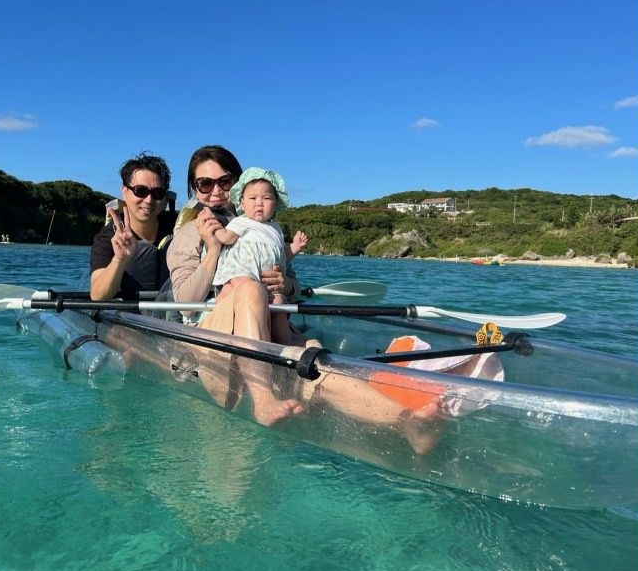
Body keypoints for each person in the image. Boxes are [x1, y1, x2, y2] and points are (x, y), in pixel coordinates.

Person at [167, 145, 445, 453]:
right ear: (195, 188)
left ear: (239, 183)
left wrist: (285, 284)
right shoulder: (191, 233)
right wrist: (213, 250)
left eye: (226, 181)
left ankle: (408, 423)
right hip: (214, 328)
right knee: (249, 289)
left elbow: (294, 287)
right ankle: (263, 400)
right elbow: (185, 301)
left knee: (313, 358)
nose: (217, 190)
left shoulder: (263, 228)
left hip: (268, 325)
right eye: (206, 183)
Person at [211, 167, 307, 345]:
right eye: (253, 198)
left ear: (276, 202)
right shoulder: (241, 222)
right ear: (242, 202)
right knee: (233, 291)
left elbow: (282, 255)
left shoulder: (276, 230)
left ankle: (285, 340)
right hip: (242, 274)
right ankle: (224, 312)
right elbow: (226, 237)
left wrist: (295, 247)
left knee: (278, 302)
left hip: (268, 283)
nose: (259, 203)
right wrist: (214, 228)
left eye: (267, 198)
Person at [90, 153, 175, 301]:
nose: (149, 200)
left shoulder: (179, 229)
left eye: (158, 193)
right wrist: (120, 259)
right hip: (127, 317)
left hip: (169, 317)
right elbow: (97, 295)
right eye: (140, 191)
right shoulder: (109, 236)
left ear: (165, 197)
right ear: (125, 191)